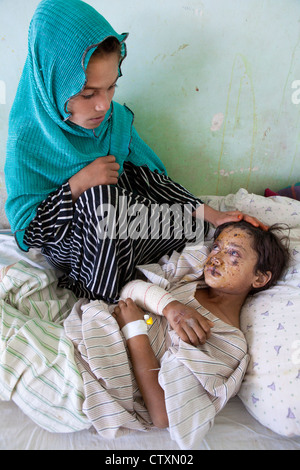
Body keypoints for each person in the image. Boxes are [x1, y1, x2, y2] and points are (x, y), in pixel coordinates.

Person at [4, 0, 267, 305]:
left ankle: (144, 255)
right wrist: (78, 185)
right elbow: (30, 233)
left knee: (135, 179)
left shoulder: (113, 122)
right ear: (50, 85)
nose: (103, 105)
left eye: (111, 87)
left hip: (121, 232)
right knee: (99, 193)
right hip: (75, 248)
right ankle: (102, 298)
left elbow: (152, 180)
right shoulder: (27, 141)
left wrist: (213, 215)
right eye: (88, 93)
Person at [113, 220, 290, 440]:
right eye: (216, 246)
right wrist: (171, 308)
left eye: (233, 253)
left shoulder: (226, 340)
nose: (215, 257)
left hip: (97, 370)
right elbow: (129, 291)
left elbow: (163, 415)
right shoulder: (188, 282)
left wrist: (135, 331)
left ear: (260, 278)